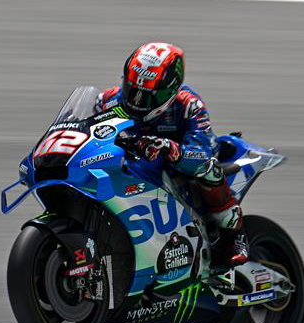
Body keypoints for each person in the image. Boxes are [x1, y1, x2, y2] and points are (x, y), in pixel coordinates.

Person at [95, 42, 248, 267]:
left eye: (146, 96)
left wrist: (169, 148)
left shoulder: (188, 104)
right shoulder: (107, 100)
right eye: (132, 91)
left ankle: (234, 236)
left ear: (169, 91)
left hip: (177, 164)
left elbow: (202, 151)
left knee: (208, 168)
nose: (136, 102)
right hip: (132, 161)